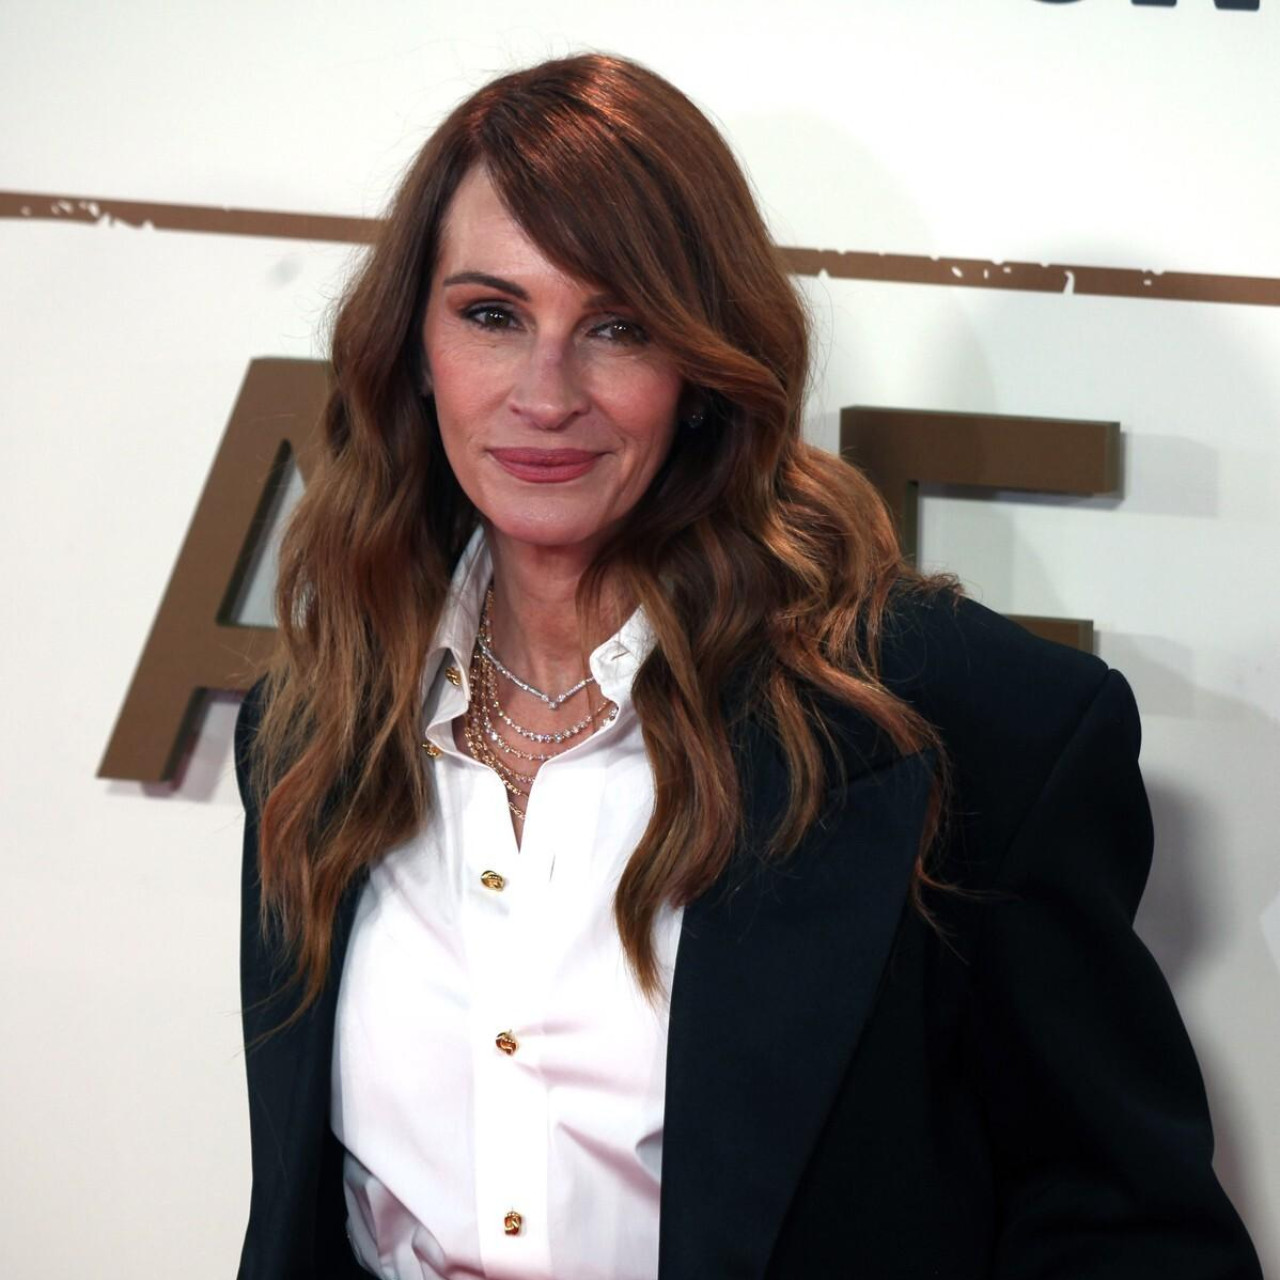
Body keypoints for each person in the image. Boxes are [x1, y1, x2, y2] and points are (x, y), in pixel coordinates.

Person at [233, 52, 1261, 1280]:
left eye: (616, 326)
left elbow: (1127, 1232)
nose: (544, 393)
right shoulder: (312, 723)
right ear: (413, 345)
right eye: (491, 315)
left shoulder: (963, 730)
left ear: (703, 364)